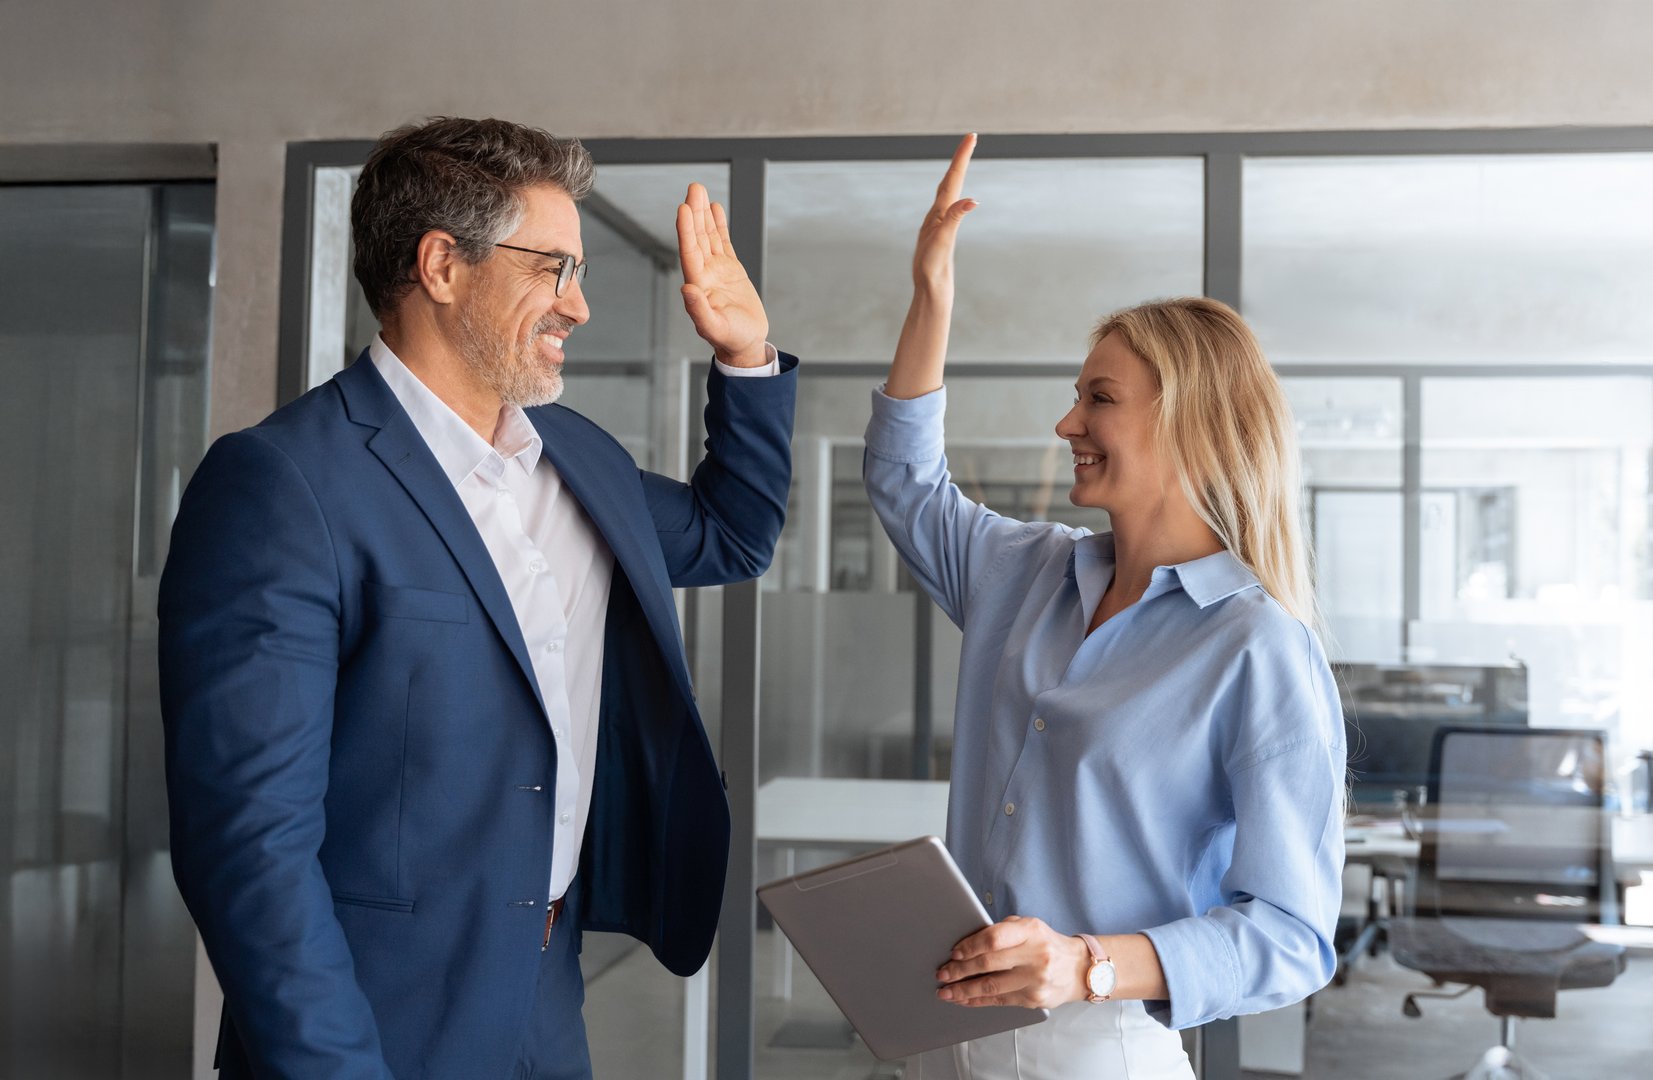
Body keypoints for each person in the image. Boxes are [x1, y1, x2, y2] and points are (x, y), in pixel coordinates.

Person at [158, 116, 796, 1080]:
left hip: (547, 990)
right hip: (375, 1021)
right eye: (554, 269)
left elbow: (732, 535)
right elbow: (249, 849)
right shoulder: (281, 485)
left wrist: (746, 353)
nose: (577, 308)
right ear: (442, 265)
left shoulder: (575, 456)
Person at [864, 135, 1345, 1079]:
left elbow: (1291, 935)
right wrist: (932, 298)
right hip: (943, 1036)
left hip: (1096, 1050)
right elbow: (904, 482)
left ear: (1187, 422)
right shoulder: (1025, 574)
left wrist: (1083, 965)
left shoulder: (1255, 647)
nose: (1067, 423)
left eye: (1099, 398)